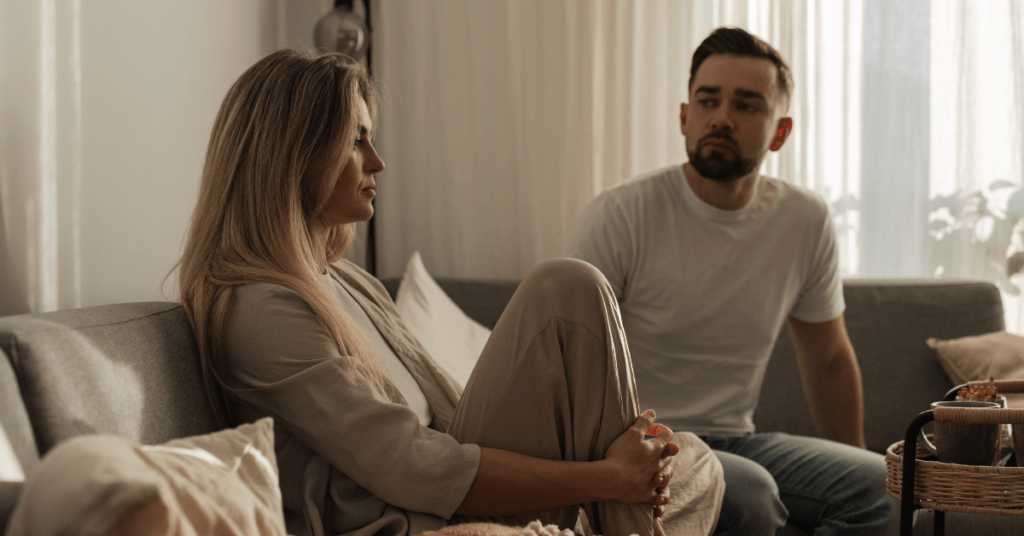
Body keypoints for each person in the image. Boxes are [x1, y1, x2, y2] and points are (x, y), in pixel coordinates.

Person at [176, 49, 725, 536]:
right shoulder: (259, 309)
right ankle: (624, 515)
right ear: (294, 155)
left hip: (454, 488)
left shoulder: (348, 281)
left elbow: (449, 420)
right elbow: (408, 466)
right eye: (357, 140)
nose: (378, 162)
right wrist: (606, 477)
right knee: (567, 287)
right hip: (422, 517)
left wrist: (611, 470)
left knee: (697, 461)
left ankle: (616, 511)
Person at [565, 28, 897, 535]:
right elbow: (568, 361)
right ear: (684, 117)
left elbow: (829, 360)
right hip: (638, 441)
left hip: (737, 441)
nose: (721, 117)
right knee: (751, 494)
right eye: (707, 100)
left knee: (883, 486)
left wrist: (849, 456)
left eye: (747, 105)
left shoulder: (803, 220)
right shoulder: (620, 214)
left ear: (780, 132)